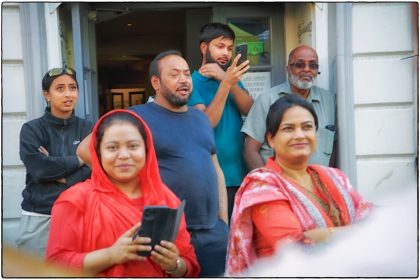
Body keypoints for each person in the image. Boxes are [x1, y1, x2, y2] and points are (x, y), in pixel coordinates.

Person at [77, 50, 229, 276]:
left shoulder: (200, 118)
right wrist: (128, 189)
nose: (184, 80)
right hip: (167, 234)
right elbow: (85, 150)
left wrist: (223, 221)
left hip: (213, 232)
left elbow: (215, 169)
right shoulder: (137, 116)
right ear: (156, 82)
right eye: (175, 74)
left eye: (187, 74)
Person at [226, 95, 372, 275]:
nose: (300, 135)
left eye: (307, 127)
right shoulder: (262, 187)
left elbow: (372, 221)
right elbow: (296, 244)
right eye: (288, 128)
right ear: (271, 139)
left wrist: (322, 234)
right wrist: (358, 234)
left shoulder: (335, 177)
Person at [46, 110, 200, 277]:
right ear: (99, 153)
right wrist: (111, 255)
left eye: (133, 146)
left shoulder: (166, 199)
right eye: (112, 148)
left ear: (147, 149)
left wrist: (173, 264)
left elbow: (188, 263)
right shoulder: (75, 200)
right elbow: (55, 265)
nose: (124, 155)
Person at [16, 67, 92, 257]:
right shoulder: (31, 130)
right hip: (41, 216)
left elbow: (97, 170)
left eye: (73, 88)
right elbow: (40, 170)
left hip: (81, 215)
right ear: (47, 95)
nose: (68, 94)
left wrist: (59, 172)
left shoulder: (89, 129)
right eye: (60, 88)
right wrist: (80, 159)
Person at [189, 23, 253, 223]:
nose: (226, 52)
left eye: (230, 48)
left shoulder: (229, 78)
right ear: (204, 48)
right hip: (212, 179)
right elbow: (205, 123)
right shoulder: (191, 83)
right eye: (220, 46)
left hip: (241, 175)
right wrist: (226, 83)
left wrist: (226, 79)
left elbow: (250, 109)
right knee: (221, 242)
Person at [242, 45, 336, 170]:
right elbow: (250, 150)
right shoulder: (267, 100)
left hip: (316, 185)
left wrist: (326, 181)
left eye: (312, 65)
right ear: (288, 69)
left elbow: (334, 147)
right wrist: (268, 183)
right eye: (299, 64)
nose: (306, 69)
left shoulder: (329, 100)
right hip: (278, 186)